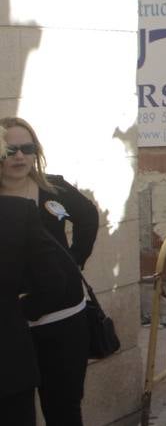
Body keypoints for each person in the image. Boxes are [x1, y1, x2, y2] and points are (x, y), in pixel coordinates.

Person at [2, 117, 98, 426]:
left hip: (63, 318)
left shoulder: (53, 189)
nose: (20, 156)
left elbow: (87, 217)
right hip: (14, 327)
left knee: (63, 409)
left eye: (27, 148)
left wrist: (74, 261)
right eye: (12, 149)